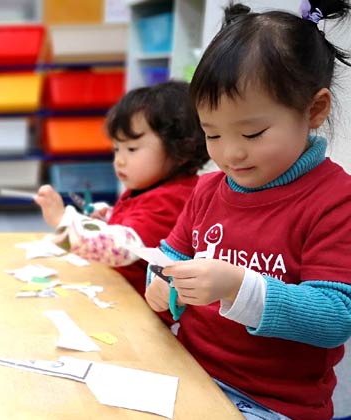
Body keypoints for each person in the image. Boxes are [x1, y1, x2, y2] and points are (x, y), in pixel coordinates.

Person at [144, 2, 351, 419]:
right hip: (191, 369)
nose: (231, 153)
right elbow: (169, 259)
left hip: (271, 404)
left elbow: (334, 318)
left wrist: (238, 287)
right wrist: (162, 283)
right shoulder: (207, 190)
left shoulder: (335, 200)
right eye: (213, 134)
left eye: (253, 133)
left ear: (314, 110)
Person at [35, 81, 208, 296]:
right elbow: (139, 229)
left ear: (181, 149)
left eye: (132, 149)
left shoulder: (171, 199)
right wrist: (109, 218)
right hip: (123, 293)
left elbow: (122, 248)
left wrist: (63, 221)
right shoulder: (151, 186)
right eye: (117, 149)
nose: (120, 161)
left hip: (143, 312)